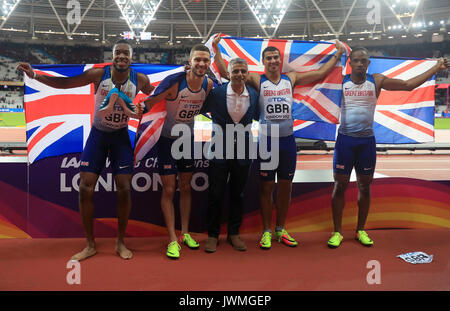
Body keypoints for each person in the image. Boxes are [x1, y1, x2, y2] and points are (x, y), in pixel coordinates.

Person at [17, 40, 154, 260]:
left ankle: (120, 242)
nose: (121, 56)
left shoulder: (140, 79)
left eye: (125, 53)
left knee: (124, 189)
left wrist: (146, 104)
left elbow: (152, 93)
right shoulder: (98, 75)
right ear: (112, 55)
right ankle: (90, 245)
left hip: (120, 137)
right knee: (85, 188)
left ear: (131, 56)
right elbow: (66, 84)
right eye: (117, 53)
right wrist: (35, 76)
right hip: (98, 136)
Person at [213, 34, 345, 249]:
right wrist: (217, 49)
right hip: (267, 141)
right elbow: (226, 72)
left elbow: (320, 73)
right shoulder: (257, 79)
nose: (273, 61)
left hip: (287, 141)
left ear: (279, 61)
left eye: (276, 58)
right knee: (266, 188)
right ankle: (266, 231)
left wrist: (338, 53)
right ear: (263, 62)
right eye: (269, 58)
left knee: (285, 187)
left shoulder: (290, 78)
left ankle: (280, 229)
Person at [327, 47, 449, 248]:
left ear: (368, 63)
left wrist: (436, 68)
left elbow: (408, 85)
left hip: (366, 142)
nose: (359, 64)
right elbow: (315, 81)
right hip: (345, 141)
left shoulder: (376, 81)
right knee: (339, 186)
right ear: (350, 63)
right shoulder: (340, 82)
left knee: (365, 187)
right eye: (355, 60)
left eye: (363, 60)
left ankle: (360, 230)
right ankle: (337, 232)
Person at [142, 44, 214, 259]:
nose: (201, 64)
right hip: (166, 141)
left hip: (187, 140)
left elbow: (209, 106)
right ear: (190, 62)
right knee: (169, 190)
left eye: (205, 60)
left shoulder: (208, 84)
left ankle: (185, 233)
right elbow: (150, 103)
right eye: (197, 60)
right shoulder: (175, 83)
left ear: (209, 63)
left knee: (186, 186)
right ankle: (172, 239)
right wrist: (137, 108)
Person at [200, 57, 259, 253]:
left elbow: (260, 116)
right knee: (215, 193)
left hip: (244, 149)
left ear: (247, 73)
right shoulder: (216, 94)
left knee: (238, 194)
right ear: (229, 73)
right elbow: (197, 106)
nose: (240, 75)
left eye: (243, 71)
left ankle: (234, 233)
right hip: (219, 148)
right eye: (236, 71)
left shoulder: (253, 94)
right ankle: (213, 234)